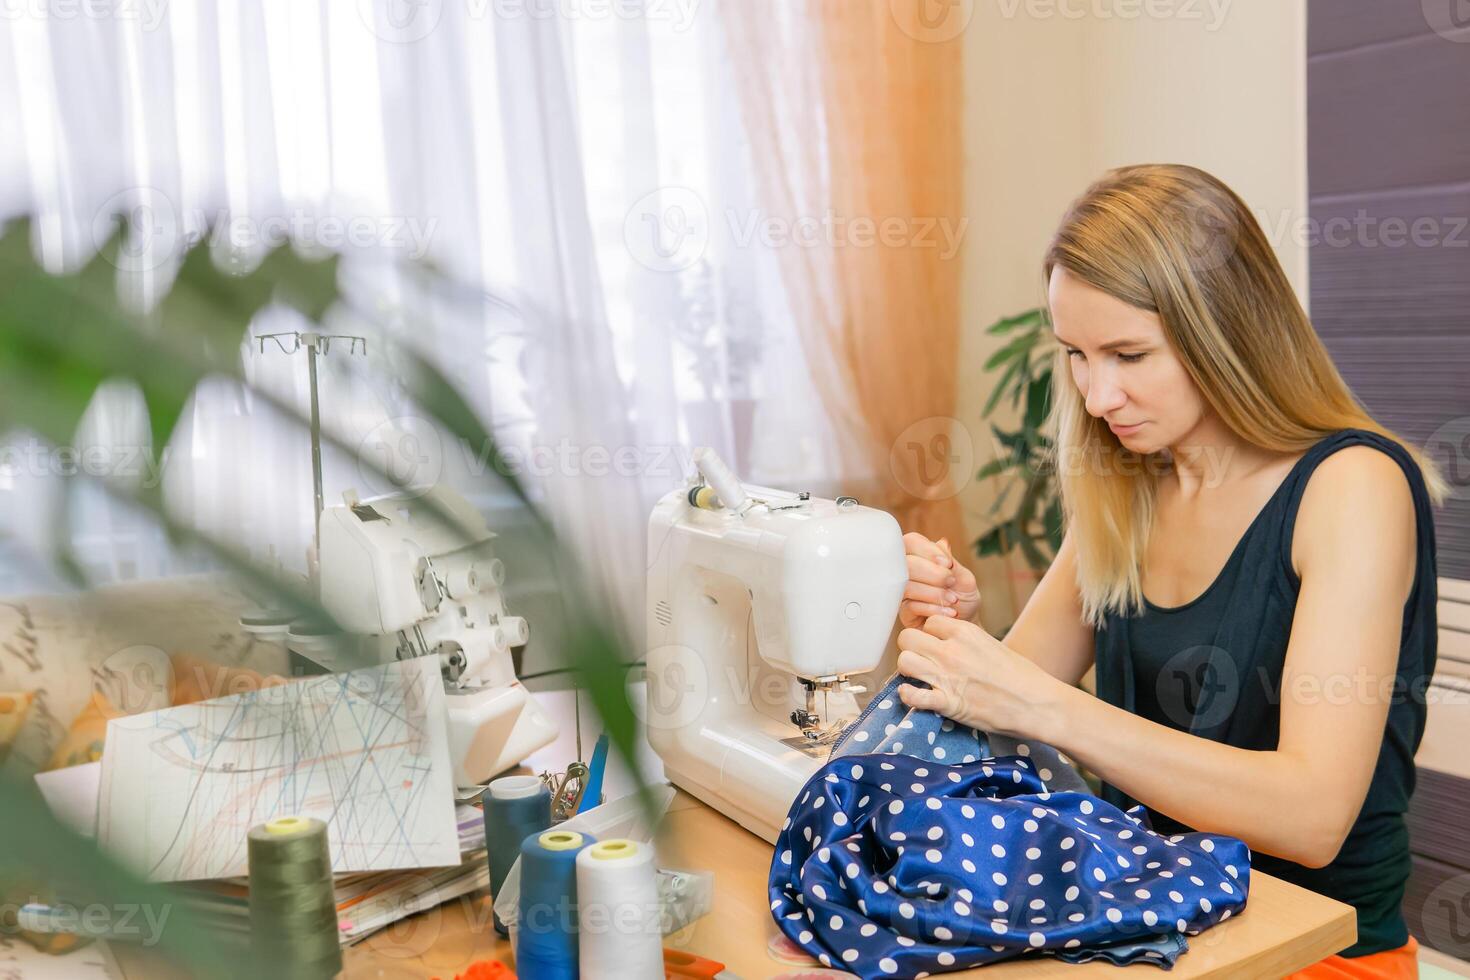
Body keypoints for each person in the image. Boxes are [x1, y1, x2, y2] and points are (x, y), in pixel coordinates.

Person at [895, 164, 1445, 979]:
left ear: (1227, 329)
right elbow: (1004, 707)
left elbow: (1312, 815)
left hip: (1312, 946)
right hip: (1150, 924)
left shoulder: (1352, 486)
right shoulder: (1127, 484)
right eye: (1076, 354)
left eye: (1129, 353)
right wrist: (953, 628)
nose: (1096, 394)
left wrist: (1048, 708)